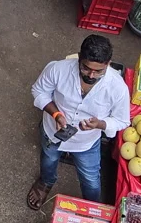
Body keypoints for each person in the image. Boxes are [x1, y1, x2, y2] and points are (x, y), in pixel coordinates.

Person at [27, 35, 130, 209]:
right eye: (86, 68)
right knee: (48, 160)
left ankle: (91, 206)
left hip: (86, 142)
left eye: (98, 71)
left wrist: (100, 124)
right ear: (79, 57)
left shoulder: (118, 88)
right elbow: (38, 91)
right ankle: (46, 182)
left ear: (108, 64)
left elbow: (122, 120)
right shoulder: (58, 69)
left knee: (91, 181)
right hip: (52, 131)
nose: (91, 75)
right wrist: (56, 114)